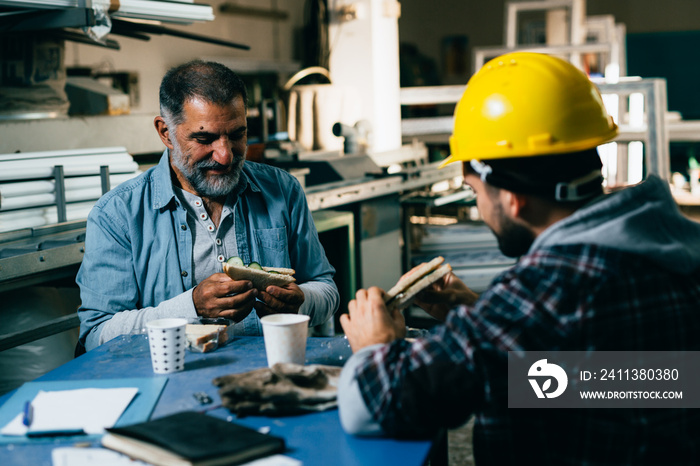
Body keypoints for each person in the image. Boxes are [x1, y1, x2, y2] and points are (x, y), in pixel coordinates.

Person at [337, 52, 700, 464]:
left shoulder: (549, 287)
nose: (479, 207)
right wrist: (477, 312)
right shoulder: (668, 247)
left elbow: (366, 407)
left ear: (512, 198)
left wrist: (375, 349)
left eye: (474, 193)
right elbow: (623, 382)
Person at [77, 60, 339, 351]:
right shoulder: (117, 215)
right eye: (205, 138)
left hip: (270, 373)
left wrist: (301, 301)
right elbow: (96, 334)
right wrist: (190, 308)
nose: (225, 155)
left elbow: (325, 288)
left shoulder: (282, 191)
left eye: (237, 134)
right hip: (169, 381)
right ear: (165, 132)